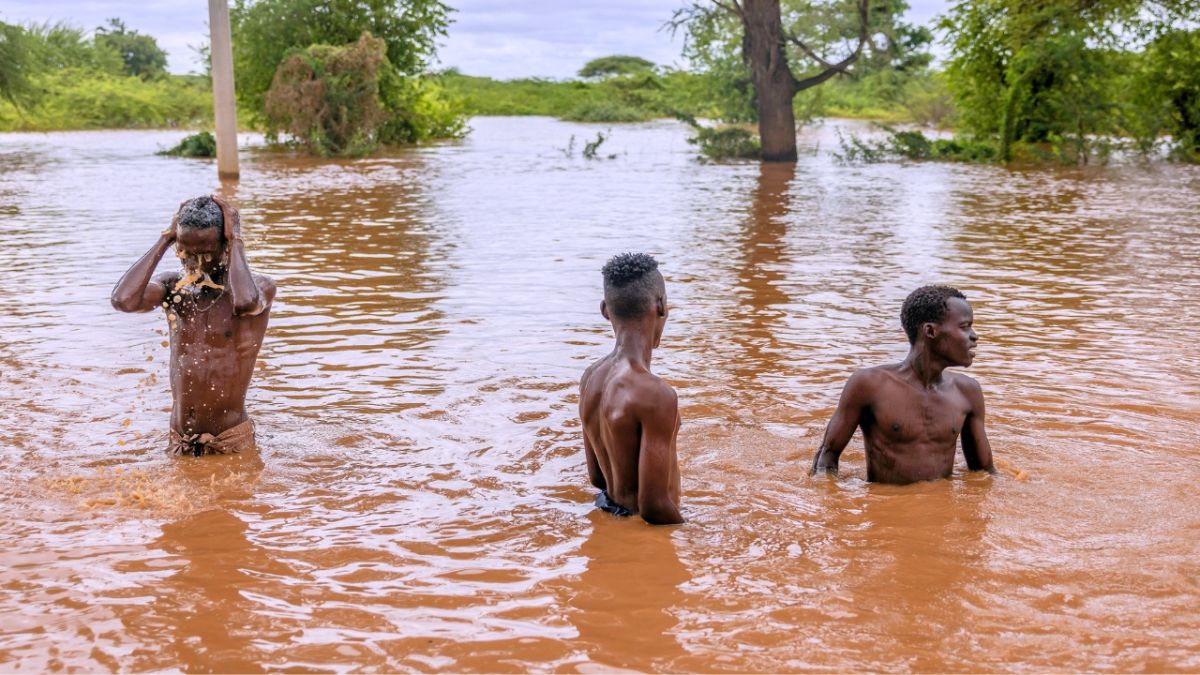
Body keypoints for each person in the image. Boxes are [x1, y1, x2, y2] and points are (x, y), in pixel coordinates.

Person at [111, 195, 275, 456]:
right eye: (186, 252)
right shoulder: (173, 288)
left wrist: (236, 238)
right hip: (179, 440)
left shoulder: (258, 288)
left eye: (206, 253)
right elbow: (124, 300)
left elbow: (245, 302)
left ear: (225, 246)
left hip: (229, 442)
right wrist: (166, 238)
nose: (195, 262)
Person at [810, 285, 995, 484]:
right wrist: (830, 495)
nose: (974, 336)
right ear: (930, 331)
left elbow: (984, 474)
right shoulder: (869, 385)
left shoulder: (968, 391)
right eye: (965, 326)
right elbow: (825, 460)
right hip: (883, 502)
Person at [579, 253, 683, 524]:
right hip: (648, 530)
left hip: (609, 511)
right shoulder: (655, 395)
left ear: (605, 310)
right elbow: (654, 506)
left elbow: (597, 478)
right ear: (661, 306)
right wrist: (697, 535)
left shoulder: (590, 378)